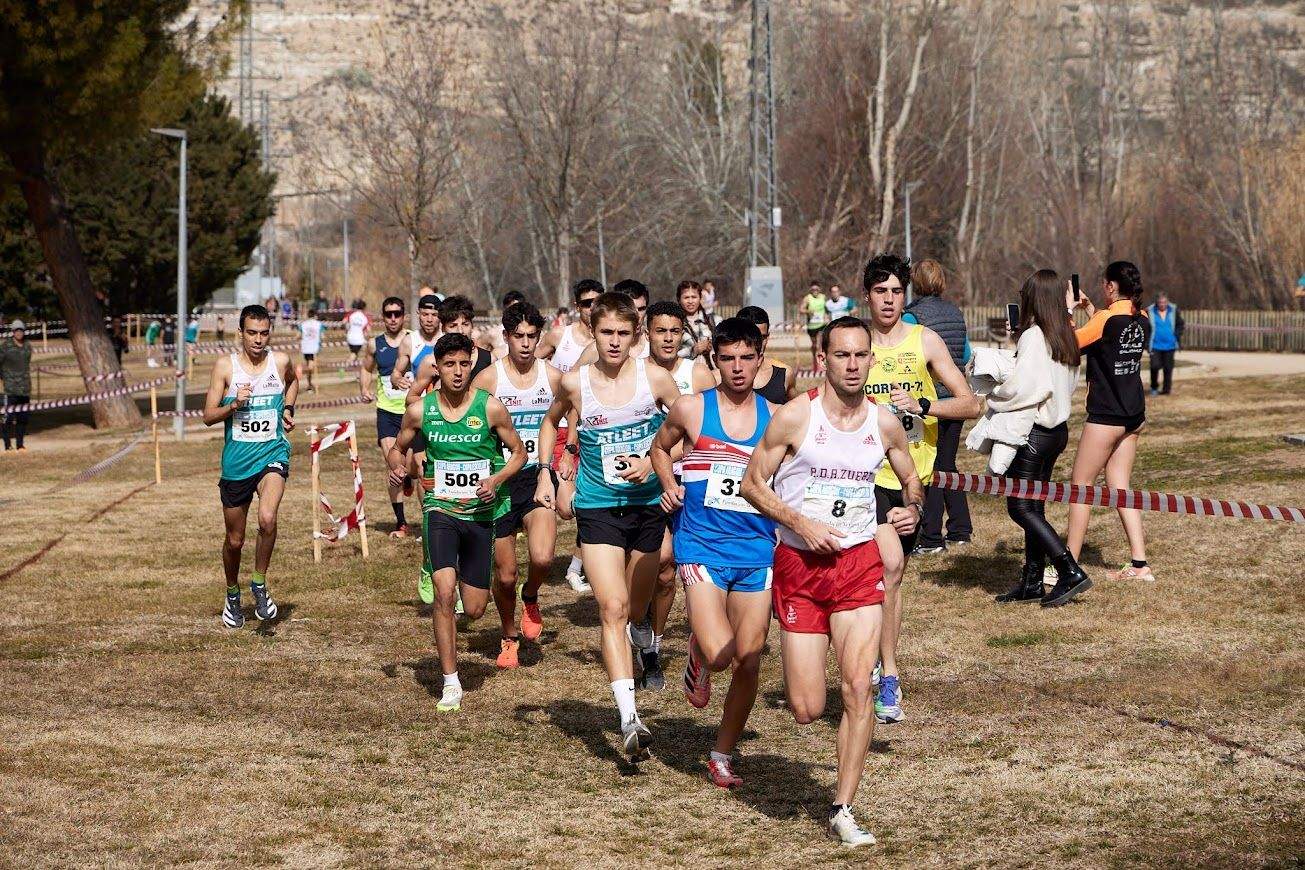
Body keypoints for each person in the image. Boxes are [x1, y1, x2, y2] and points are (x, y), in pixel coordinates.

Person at [740, 316, 922, 847]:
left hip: (859, 563)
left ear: (871, 360)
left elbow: (911, 478)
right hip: (800, 567)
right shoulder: (797, 416)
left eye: (861, 355)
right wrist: (799, 522)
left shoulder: (884, 423)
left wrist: (911, 508)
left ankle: (843, 807)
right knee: (807, 708)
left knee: (859, 686)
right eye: (841, 354)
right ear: (824, 359)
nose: (852, 364)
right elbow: (753, 484)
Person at [534, 292, 682, 757]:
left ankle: (642, 633)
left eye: (623, 333)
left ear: (635, 335)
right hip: (598, 508)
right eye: (606, 333)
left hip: (647, 507)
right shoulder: (575, 383)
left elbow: (690, 430)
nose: (614, 341)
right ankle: (629, 717)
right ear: (593, 334)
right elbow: (550, 424)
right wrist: (546, 471)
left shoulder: (655, 378)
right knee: (612, 607)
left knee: (634, 609)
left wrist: (653, 461)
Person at [651, 317, 776, 789]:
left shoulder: (777, 417)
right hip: (701, 544)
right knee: (722, 655)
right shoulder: (691, 409)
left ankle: (722, 753)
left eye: (746, 358)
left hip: (756, 549)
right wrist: (669, 485)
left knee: (750, 658)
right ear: (714, 361)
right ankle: (700, 655)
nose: (737, 367)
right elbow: (659, 449)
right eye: (728, 358)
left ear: (760, 360)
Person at [862, 252, 979, 726]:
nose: (889, 300)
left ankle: (878, 662)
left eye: (896, 292)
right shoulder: (856, 345)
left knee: (891, 579)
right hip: (865, 476)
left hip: (914, 477)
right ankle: (887, 672)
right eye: (881, 292)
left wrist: (925, 405)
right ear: (867, 296)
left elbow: (971, 404)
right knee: (887, 565)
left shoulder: (924, 340)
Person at [386, 333, 526, 713]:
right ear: (438, 368)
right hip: (440, 510)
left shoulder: (490, 408)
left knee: (475, 608)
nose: (458, 371)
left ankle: (465, 579)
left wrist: (496, 480)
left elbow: (519, 453)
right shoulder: (420, 410)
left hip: (480, 513)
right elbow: (398, 449)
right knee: (444, 592)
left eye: (464, 363)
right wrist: (397, 468)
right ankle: (451, 682)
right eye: (450, 364)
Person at [984, 271, 1090, 606]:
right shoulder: (1065, 334)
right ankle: (1032, 580)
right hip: (1057, 431)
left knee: (1020, 507)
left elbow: (1024, 388)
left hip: (1035, 432)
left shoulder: (1035, 336)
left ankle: (1068, 569)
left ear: (1034, 298)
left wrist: (992, 393)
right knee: (1034, 506)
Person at [471, 302, 561, 668]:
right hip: (501, 481)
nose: (525, 344)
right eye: (518, 336)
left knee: (543, 557)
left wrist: (566, 455)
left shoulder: (552, 377)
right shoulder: (488, 379)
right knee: (505, 576)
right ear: (506, 336)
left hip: (537, 476)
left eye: (531, 336)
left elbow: (571, 413)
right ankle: (508, 636)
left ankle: (532, 594)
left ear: (539, 337)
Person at [629, 298, 712, 691]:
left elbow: (706, 432)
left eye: (674, 331)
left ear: (684, 335)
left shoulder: (697, 374)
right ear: (646, 333)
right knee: (644, 565)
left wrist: (658, 459)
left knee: (667, 568)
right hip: (637, 482)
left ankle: (653, 648)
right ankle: (636, 621)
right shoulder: (632, 371)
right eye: (660, 330)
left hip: (684, 483)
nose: (667, 338)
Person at [202, 305, 298, 630]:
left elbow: (293, 382)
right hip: (237, 463)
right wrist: (234, 405)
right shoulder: (224, 367)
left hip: (272, 453)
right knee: (235, 540)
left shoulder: (279, 362)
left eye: (264, 333)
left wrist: (288, 409)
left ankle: (259, 583)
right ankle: (232, 593)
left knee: (267, 518)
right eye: (252, 333)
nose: (258, 339)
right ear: (240, 333)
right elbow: (207, 416)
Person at [1064, 261, 1153, 583]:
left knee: (1080, 487)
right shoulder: (1143, 318)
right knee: (1120, 486)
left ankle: (1068, 565)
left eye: (1104, 284)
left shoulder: (1105, 319)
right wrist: (1090, 308)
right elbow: (1110, 339)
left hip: (1107, 414)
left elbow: (1070, 345)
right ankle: (1140, 564)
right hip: (1133, 414)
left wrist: (1068, 310)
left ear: (1111, 286)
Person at [536, 278, 603, 593]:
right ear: (578, 306)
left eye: (598, 302)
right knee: (565, 508)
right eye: (587, 303)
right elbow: (531, 362)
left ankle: (579, 566)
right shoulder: (559, 336)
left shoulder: (610, 339)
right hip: (561, 426)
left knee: (590, 499)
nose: (593, 308)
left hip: (594, 429)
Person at [901, 259, 973, 554]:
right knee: (947, 465)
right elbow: (965, 353)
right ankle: (960, 529)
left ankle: (931, 536)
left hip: (927, 402)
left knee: (928, 468)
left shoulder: (911, 316)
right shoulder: (956, 312)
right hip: (956, 399)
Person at [359, 297, 418, 545]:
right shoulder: (375, 344)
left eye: (397, 314)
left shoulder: (413, 340)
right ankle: (401, 521)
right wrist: (364, 388)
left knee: (413, 467)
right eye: (388, 314)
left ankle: (410, 477)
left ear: (404, 315)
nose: (393, 318)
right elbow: (366, 368)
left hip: (412, 412)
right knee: (394, 466)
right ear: (382, 316)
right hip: (386, 412)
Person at [732, 306, 797, 403]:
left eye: (762, 337)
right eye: (751, 337)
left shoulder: (784, 374)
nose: (757, 343)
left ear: (768, 336)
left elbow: (797, 408)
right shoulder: (719, 378)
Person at [1, 321, 33, 452]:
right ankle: (7, 445)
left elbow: (26, 363)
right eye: (16, 330)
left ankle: (20, 445)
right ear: (13, 332)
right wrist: (4, 378)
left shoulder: (27, 345)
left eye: (21, 330)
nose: (19, 332)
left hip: (25, 388)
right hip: (10, 389)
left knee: (23, 418)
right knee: (8, 418)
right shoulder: (5, 346)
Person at [1147, 292, 1184, 396]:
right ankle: (1154, 387)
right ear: (1157, 302)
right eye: (1160, 302)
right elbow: (1146, 328)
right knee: (1154, 366)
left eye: (1164, 302)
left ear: (1167, 302)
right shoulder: (1150, 311)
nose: (1162, 304)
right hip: (1155, 346)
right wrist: (1146, 342)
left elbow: (1180, 324)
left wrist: (1176, 335)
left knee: (1168, 368)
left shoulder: (1173, 310)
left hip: (1170, 345)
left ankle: (1166, 389)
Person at [677, 280, 715, 363]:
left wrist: (712, 346)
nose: (690, 301)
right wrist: (693, 351)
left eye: (694, 297)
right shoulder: (675, 324)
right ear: (679, 299)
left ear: (700, 298)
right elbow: (669, 356)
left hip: (712, 370)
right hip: (686, 370)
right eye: (686, 297)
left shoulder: (713, 321)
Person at [800, 281, 828, 371]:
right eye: (813, 289)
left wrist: (827, 317)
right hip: (812, 326)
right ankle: (814, 361)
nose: (815, 291)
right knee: (814, 345)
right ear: (810, 290)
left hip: (821, 324)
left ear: (819, 289)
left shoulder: (823, 297)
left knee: (819, 344)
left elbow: (827, 309)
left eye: (816, 289)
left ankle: (820, 364)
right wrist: (809, 311)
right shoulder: (807, 298)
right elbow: (801, 309)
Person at [298, 309, 323, 393]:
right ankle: (301, 372)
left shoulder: (303, 324)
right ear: (315, 315)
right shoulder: (319, 324)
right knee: (311, 366)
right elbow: (322, 336)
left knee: (309, 364)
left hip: (306, 347)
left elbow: (298, 335)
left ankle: (309, 385)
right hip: (315, 347)